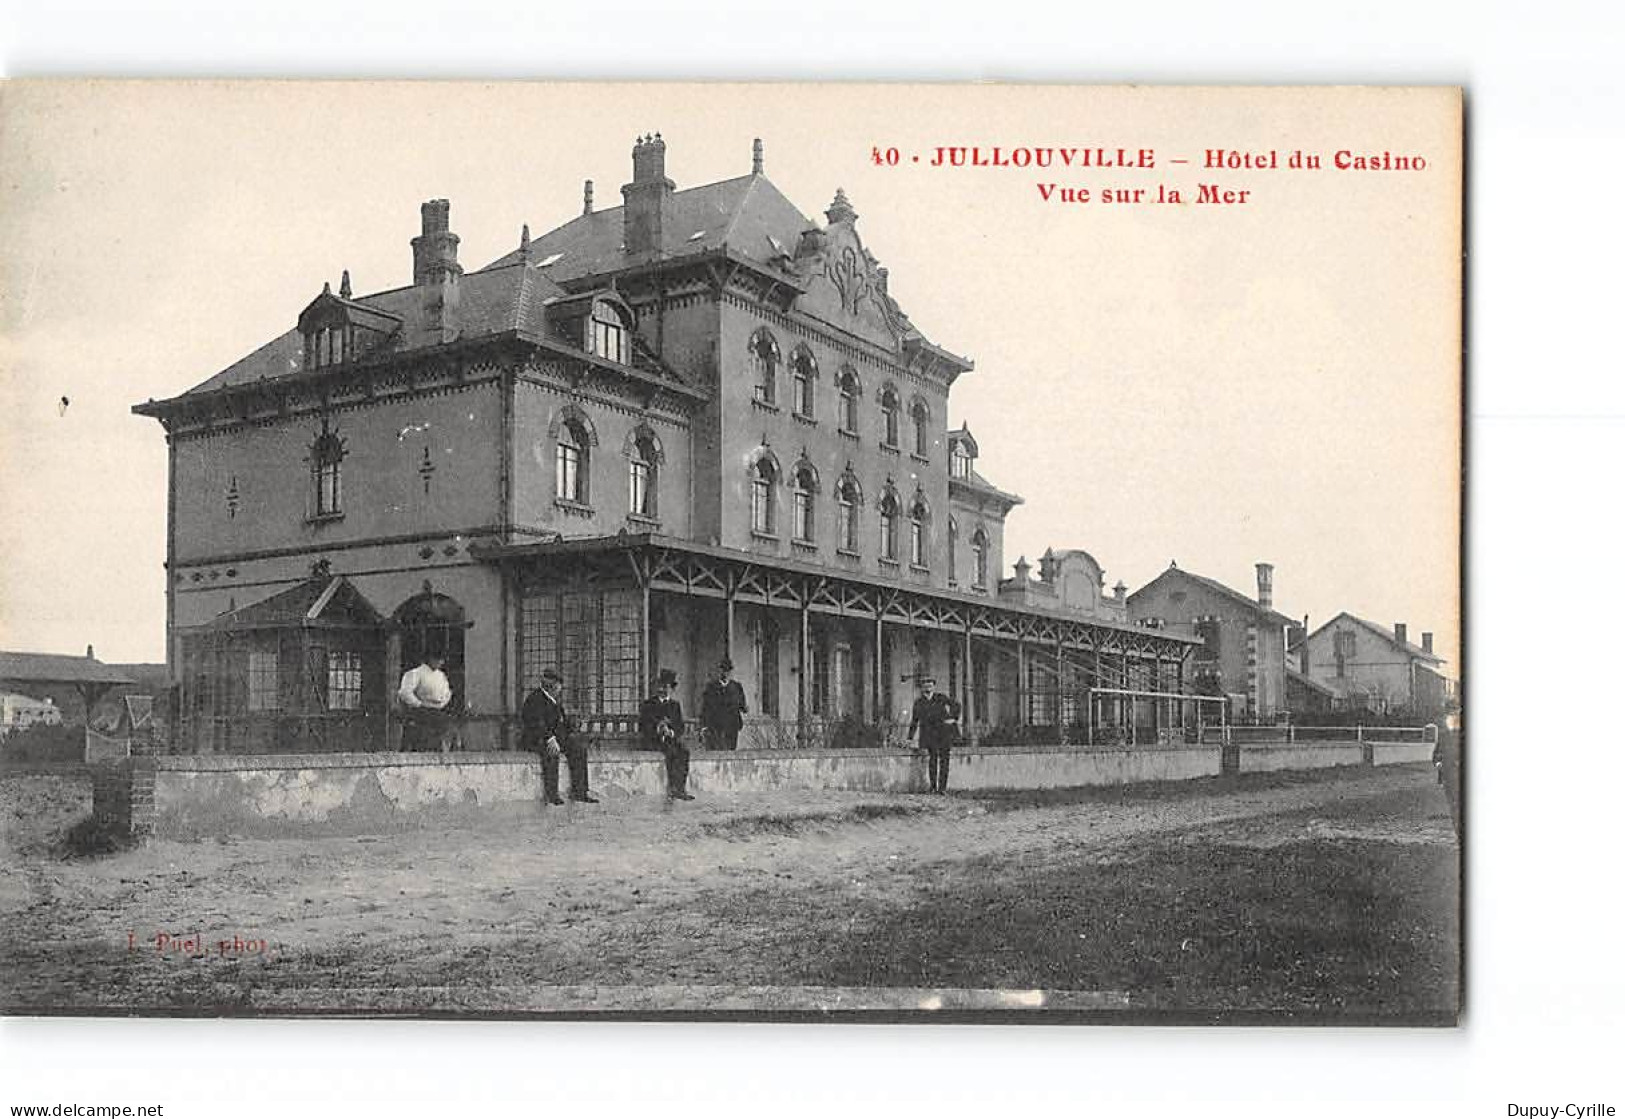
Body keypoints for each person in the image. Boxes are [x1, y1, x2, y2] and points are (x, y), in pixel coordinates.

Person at [519, 668, 597, 805]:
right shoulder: (534, 699)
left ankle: (580, 792)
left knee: (578, 749)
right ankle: (552, 795)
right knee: (552, 752)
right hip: (537, 739)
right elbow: (537, 724)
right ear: (552, 685)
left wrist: (574, 726)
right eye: (558, 685)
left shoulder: (555, 701)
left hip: (554, 738)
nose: (559, 688)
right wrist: (550, 738)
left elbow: (561, 723)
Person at [640, 668, 694, 800]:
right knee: (671, 752)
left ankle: (680, 788)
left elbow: (680, 726)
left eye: (667, 687)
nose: (663, 689)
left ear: (671, 689)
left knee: (684, 752)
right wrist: (658, 729)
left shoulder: (675, 705)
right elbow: (644, 725)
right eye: (661, 686)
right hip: (654, 740)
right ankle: (673, 788)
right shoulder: (649, 704)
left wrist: (671, 732)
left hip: (670, 739)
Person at [907, 673, 962, 794]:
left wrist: (953, 718)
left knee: (944, 760)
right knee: (932, 760)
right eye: (925, 685)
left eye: (930, 685)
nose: (928, 688)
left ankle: (942, 788)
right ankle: (933, 787)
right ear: (921, 688)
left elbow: (957, 705)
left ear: (934, 686)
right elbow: (914, 721)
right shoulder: (919, 702)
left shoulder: (941, 698)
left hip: (943, 733)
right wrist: (909, 738)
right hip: (929, 734)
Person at [397, 653, 453, 752]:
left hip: (436, 711)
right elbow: (405, 692)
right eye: (438, 660)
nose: (440, 663)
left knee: (442, 731)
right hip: (420, 711)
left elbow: (447, 693)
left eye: (441, 660)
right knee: (420, 737)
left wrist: (441, 703)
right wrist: (419, 704)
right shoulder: (416, 673)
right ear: (430, 659)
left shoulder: (441, 676)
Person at [699, 656, 747, 751]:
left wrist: (744, 708)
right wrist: (704, 726)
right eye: (723, 670)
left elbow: (742, 705)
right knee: (717, 751)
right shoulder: (711, 687)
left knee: (731, 750)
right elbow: (706, 708)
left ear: (731, 671)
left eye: (728, 670)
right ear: (720, 671)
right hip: (716, 726)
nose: (726, 673)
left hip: (732, 725)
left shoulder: (736, 687)